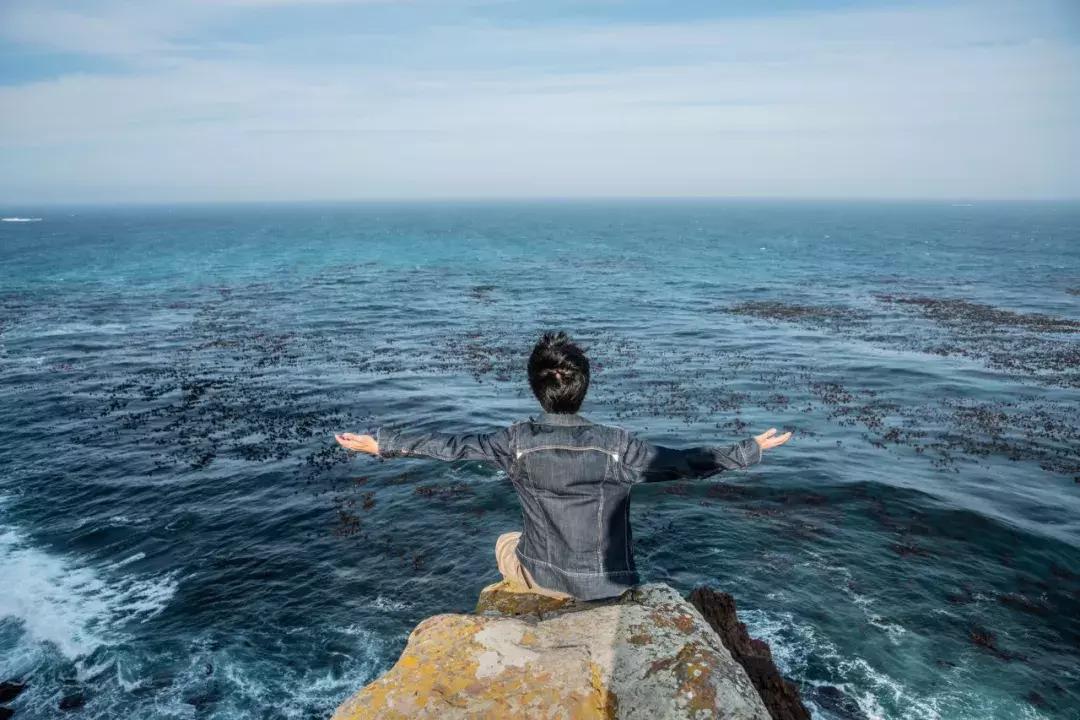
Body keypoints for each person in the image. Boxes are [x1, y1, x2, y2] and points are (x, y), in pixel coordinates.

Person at [335, 331, 791, 602]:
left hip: (545, 578)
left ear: (536, 389)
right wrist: (748, 449)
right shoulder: (618, 447)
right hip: (611, 585)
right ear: (583, 387)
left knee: (504, 541)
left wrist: (383, 444)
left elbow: (452, 447)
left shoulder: (514, 443)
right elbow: (684, 463)